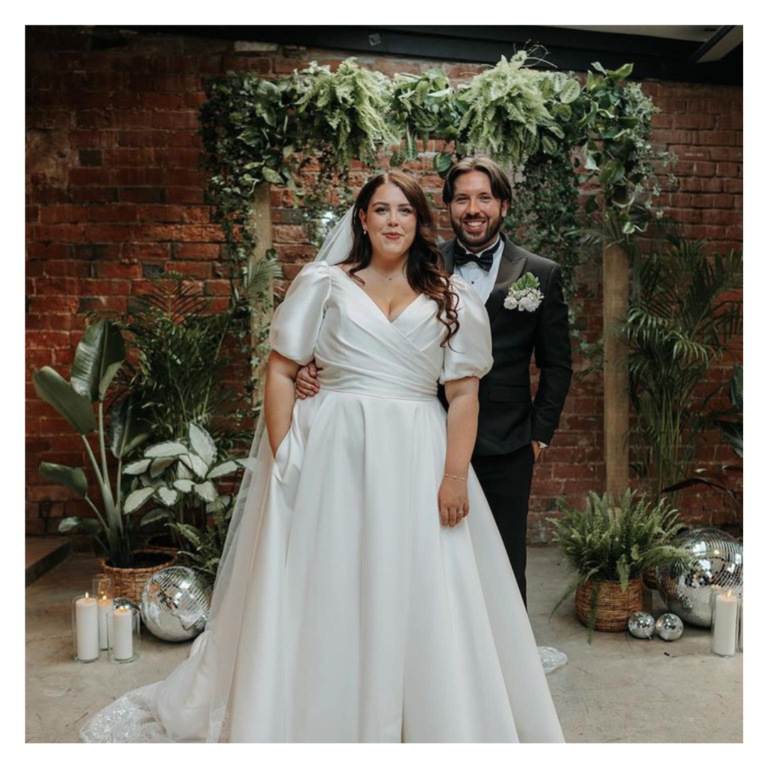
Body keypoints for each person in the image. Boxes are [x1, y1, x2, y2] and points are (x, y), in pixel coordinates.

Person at [79, 171, 565, 743]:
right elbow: (283, 370)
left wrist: (454, 476)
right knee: (331, 577)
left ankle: (424, 714)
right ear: (361, 219)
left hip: (417, 450)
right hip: (334, 450)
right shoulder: (323, 283)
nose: (392, 221)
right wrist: (288, 456)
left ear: (418, 221)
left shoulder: (450, 297)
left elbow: (463, 394)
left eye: (404, 211)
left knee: (422, 581)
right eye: (380, 210)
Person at [298, 158, 573, 607]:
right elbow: (362, 328)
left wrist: (538, 436)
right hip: (423, 438)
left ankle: (505, 667)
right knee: (427, 560)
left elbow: (557, 364)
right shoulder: (419, 262)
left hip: (507, 441)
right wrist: (314, 368)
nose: (473, 208)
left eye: (484, 197)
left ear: (504, 205)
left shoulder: (539, 273)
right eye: (462, 198)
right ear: (447, 207)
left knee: (503, 561)